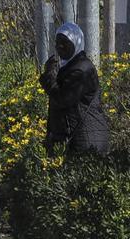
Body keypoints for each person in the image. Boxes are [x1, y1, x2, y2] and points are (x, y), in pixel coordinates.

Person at [39, 22, 109, 155]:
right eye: (57, 41)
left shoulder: (82, 70)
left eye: (65, 42)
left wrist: (49, 76)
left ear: (76, 43)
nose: (60, 46)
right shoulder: (69, 67)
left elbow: (62, 99)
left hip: (86, 141)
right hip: (77, 138)